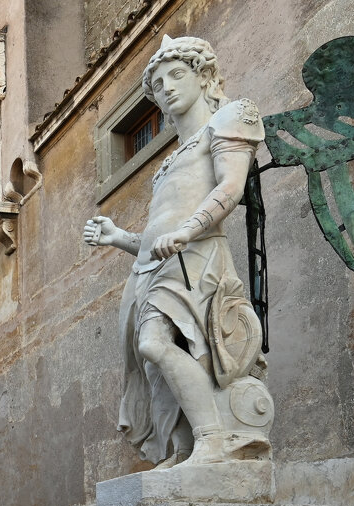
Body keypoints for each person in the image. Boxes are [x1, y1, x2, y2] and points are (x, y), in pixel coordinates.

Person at [83, 36, 266, 469]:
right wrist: (119, 237)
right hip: (156, 265)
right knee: (152, 367)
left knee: (154, 343)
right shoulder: (169, 160)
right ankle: (184, 451)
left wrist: (186, 231)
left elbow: (230, 188)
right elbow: (155, 235)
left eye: (176, 75)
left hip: (197, 256)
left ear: (204, 77)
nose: (166, 88)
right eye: (158, 83)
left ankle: (213, 439)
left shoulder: (229, 119)